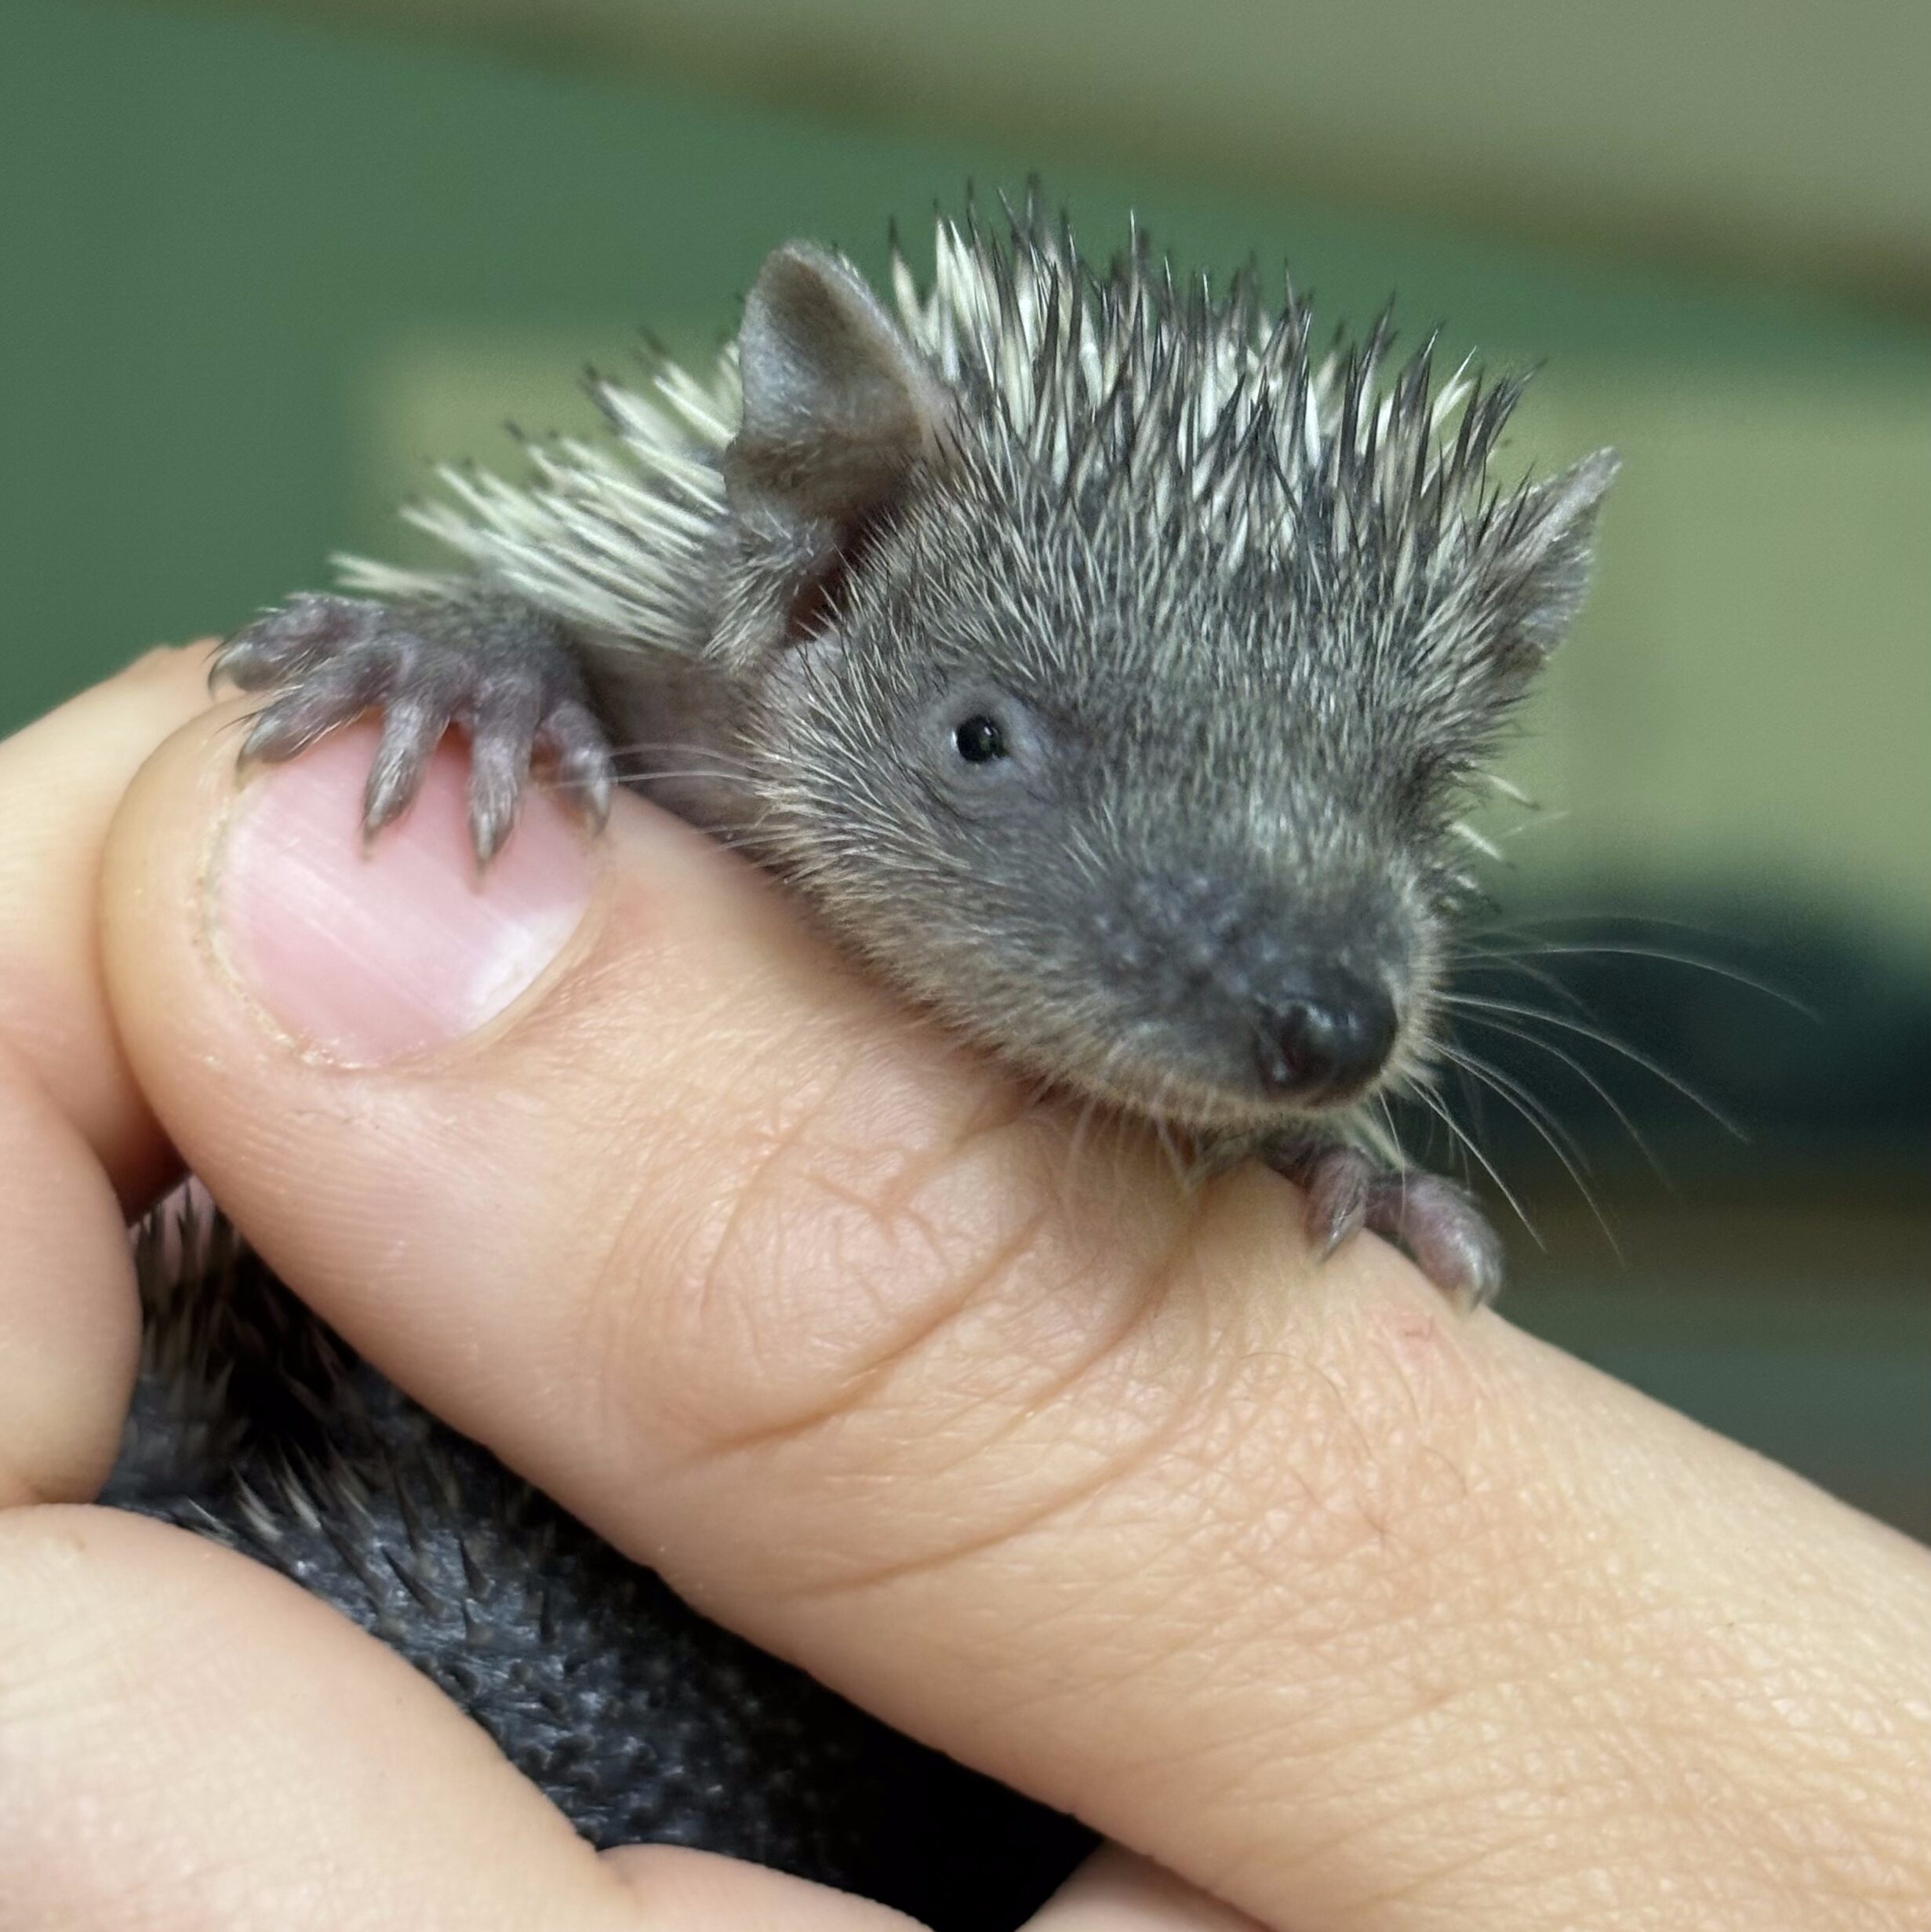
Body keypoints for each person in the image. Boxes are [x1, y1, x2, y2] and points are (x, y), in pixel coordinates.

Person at [2, 642, 1926, 1932]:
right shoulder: (596, 709)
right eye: (1002, 749)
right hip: (363, 1553)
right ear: (816, 556)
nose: (1310, 1006)